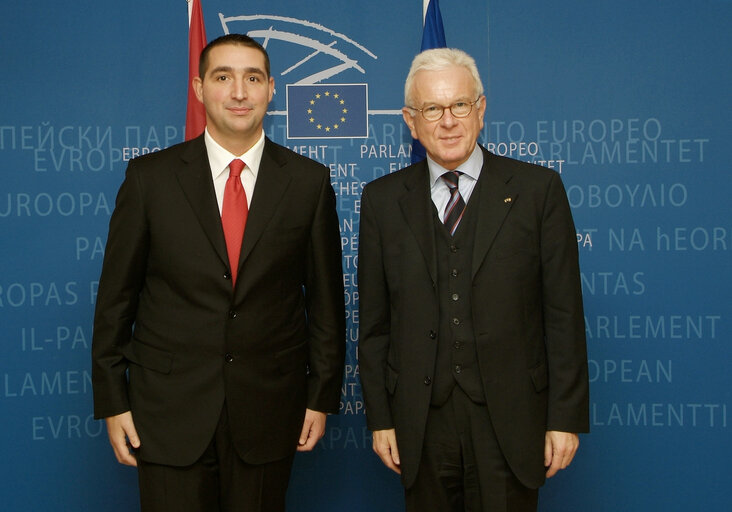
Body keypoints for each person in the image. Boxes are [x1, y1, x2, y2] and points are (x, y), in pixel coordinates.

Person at [92, 34, 345, 512]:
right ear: (199, 88)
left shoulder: (309, 182)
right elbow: (115, 301)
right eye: (223, 77)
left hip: (270, 410)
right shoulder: (149, 179)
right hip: (166, 413)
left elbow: (327, 302)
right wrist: (112, 401)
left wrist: (320, 396)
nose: (238, 92)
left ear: (271, 89)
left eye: (252, 78)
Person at [358, 47, 589, 511]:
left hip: (511, 418)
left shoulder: (537, 191)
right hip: (420, 423)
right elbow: (375, 325)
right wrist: (381, 418)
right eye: (432, 109)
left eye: (460, 105)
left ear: (480, 109)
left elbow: (563, 315)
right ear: (411, 121)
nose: (448, 121)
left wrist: (564, 418)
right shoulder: (382, 201)